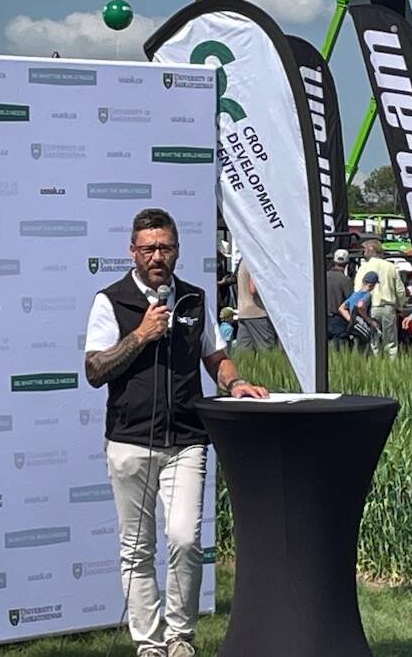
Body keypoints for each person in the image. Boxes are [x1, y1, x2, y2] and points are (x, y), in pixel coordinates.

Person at [84, 209, 268, 657]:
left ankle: (180, 636)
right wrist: (141, 335)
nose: (157, 256)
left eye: (164, 247)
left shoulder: (193, 299)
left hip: (186, 438)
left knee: (185, 539)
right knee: (136, 549)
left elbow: (215, 355)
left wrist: (235, 382)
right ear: (133, 251)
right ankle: (149, 644)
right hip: (129, 440)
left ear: (177, 250)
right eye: (148, 248)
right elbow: (94, 370)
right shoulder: (111, 301)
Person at [354, 239, 405, 358]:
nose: (363, 253)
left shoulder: (364, 268)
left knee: (374, 341)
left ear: (370, 250)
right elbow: (400, 290)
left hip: (371, 307)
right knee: (391, 342)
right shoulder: (391, 267)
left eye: (365, 250)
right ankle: (392, 367)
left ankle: (375, 365)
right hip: (388, 307)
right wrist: (399, 306)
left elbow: (358, 290)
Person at [234, 260, 277, 351]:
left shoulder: (244, 261)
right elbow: (254, 288)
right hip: (257, 312)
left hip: (244, 311)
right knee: (268, 352)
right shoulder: (255, 260)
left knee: (243, 354)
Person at [339, 271, 381, 353]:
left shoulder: (354, 294)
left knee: (356, 349)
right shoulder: (367, 295)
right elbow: (360, 305)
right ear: (372, 285)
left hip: (354, 328)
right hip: (363, 327)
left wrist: (352, 320)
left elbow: (341, 308)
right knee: (365, 350)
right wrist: (369, 320)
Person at [325, 248, 354, 346]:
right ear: (347, 264)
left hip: (322, 318)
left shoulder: (323, 277)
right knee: (340, 350)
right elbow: (350, 301)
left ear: (334, 261)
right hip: (339, 319)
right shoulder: (346, 280)